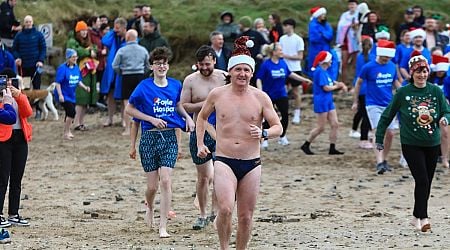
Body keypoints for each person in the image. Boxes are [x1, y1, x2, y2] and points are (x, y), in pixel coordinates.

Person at [196, 36, 282, 250]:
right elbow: (202, 117)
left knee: (245, 216)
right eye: (238, 70)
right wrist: (200, 143)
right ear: (230, 72)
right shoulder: (217, 94)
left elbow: (278, 128)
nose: (242, 74)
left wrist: (263, 133)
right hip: (224, 160)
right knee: (225, 209)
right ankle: (224, 247)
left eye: (246, 70)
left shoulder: (261, 98)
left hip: (251, 163)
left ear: (251, 73)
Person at [375, 55, 450, 232]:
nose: (422, 75)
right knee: (422, 179)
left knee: (426, 182)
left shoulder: (435, 91)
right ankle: (424, 218)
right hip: (411, 144)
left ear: (428, 72)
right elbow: (387, 115)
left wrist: (445, 119)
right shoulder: (403, 92)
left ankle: (416, 216)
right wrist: (379, 138)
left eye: (424, 71)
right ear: (412, 73)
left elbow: (446, 111)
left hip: (432, 143)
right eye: (418, 71)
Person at [126, 47, 195, 238]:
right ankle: (149, 206)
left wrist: (188, 118)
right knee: (152, 187)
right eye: (158, 63)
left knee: (165, 181)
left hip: (170, 138)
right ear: (152, 66)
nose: (161, 66)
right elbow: (129, 110)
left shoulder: (175, 85)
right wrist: (150, 119)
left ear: (168, 65)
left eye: (164, 63)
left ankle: (163, 226)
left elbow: (178, 105)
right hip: (149, 138)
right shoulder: (144, 86)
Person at [180, 45, 226, 230]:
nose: (205, 68)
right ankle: (202, 214)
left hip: (222, 130)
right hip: (199, 130)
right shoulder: (190, 81)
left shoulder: (224, 77)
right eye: (201, 64)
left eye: (208, 64)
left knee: (220, 175)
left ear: (214, 61)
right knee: (203, 177)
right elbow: (184, 105)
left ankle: (215, 212)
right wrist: (207, 103)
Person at [353, 40, 401, 174]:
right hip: (373, 103)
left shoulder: (391, 66)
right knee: (378, 131)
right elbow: (358, 83)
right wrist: (355, 101)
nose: (386, 60)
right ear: (379, 55)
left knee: (390, 133)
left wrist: (403, 94)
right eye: (384, 57)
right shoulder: (368, 67)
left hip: (389, 103)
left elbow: (395, 82)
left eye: (388, 58)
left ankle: (384, 159)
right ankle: (379, 161)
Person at [257, 42, 311, 148]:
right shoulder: (266, 64)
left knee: (285, 115)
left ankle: (282, 137)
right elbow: (259, 78)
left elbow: (290, 74)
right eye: (280, 50)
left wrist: (304, 79)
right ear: (274, 52)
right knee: (269, 117)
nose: (282, 52)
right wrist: (260, 92)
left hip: (281, 94)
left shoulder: (283, 63)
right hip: (269, 95)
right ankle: (265, 139)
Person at [0, 67, 32, 228]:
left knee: (16, 179)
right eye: (5, 80)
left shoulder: (17, 94)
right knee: (2, 178)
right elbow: (8, 118)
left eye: (11, 80)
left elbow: (28, 112)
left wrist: (19, 96)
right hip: (3, 140)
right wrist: (4, 100)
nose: (8, 83)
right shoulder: (1, 97)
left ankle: (13, 213)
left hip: (20, 138)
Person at [300, 51, 348, 155]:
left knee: (335, 124)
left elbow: (330, 81)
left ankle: (332, 147)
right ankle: (306, 144)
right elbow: (326, 87)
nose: (331, 61)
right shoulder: (320, 71)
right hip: (321, 101)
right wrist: (338, 86)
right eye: (330, 60)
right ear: (325, 61)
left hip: (328, 100)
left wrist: (338, 84)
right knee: (320, 127)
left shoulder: (325, 71)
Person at [112, 29, 149, 136]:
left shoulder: (122, 50)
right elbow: (147, 65)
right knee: (141, 103)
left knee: (127, 103)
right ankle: (143, 128)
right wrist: (143, 73)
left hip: (126, 77)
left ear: (127, 38)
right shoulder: (143, 50)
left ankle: (128, 129)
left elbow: (114, 65)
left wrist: (121, 72)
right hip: (139, 76)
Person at [66, 20, 98, 131]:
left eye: (85, 30)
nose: (84, 33)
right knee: (79, 98)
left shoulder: (87, 41)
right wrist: (88, 52)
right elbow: (75, 52)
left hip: (89, 72)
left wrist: (92, 50)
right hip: (77, 72)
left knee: (85, 98)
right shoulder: (72, 41)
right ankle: (75, 122)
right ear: (77, 31)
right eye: (81, 31)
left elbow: (95, 48)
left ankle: (81, 122)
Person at [55, 49, 91, 140]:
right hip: (64, 95)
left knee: (69, 113)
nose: (75, 58)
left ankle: (67, 130)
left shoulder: (76, 68)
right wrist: (60, 95)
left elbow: (78, 81)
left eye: (76, 57)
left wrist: (85, 87)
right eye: (73, 57)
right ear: (68, 58)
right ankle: (66, 132)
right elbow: (58, 83)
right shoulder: (62, 68)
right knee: (72, 112)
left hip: (72, 95)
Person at [101, 17, 127, 127]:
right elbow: (104, 40)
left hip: (123, 71)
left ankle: (124, 119)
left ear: (124, 28)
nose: (116, 30)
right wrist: (113, 31)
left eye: (118, 28)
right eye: (114, 28)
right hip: (111, 71)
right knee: (110, 94)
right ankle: (110, 118)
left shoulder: (129, 38)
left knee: (123, 96)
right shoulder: (113, 37)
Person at [278, 18, 305, 124]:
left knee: (296, 92)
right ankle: (284, 112)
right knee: (282, 91)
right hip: (283, 69)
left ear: (291, 26)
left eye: (286, 26)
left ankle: (297, 113)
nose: (284, 28)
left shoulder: (298, 39)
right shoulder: (282, 39)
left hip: (295, 68)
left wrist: (286, 56)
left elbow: (300, 56)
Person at [350, 37, 374, 148]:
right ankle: (364, 138)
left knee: (362, 112)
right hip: (369, 89)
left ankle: (358, 131)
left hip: (361, 89)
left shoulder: (359, 57)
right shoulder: (372, 58)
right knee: (367, 115)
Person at [429, 54, 450, 168]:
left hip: (444, 109)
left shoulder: (447, 80)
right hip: (428, 109)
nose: (441, 72)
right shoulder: (429, 78)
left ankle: (445, 158)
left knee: (445, 133)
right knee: (431, 134)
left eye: (443, 70)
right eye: (439, 70)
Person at [238, 16, 267, 86]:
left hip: (256, 63)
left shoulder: (255, 34)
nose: (238, 26)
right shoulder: (239, 35)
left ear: (243, 24)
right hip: (244, 63)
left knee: (256, 82)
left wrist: (262, 54)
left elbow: (266, 45)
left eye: (240, 24)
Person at [336, 0, 360, 85]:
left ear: (356, 5)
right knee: (344, 63)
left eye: (353, 4)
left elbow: (358, 26)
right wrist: (349, 25)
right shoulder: (344, 15)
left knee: (355, 63)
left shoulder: (358, 14)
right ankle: (344, 82)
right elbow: (341, 26)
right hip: (345, 41)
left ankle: (354, 82)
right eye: (350, 4)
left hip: (355, 42)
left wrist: (354, 26)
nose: (351, 6)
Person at [306, 6, 333, 78]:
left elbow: (330, 35)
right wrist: (324, 35)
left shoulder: (326, 24)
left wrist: (322, 33)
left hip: (326, 49)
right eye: (323, 14)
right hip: (316, 50)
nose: (324, 16)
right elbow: (314, 38)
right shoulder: (313, 25)